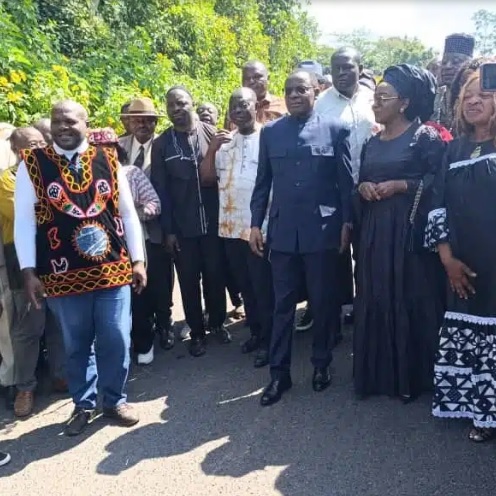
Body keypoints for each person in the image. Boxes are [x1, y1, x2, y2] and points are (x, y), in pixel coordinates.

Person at [14, 100, 146, 436]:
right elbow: (24, 223)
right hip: (60, 275)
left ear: (86, 123)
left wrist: (138, 259)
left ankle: (115, 399)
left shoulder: (108, 157)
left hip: (113, 270)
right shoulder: (32, 164)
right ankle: (83, 404)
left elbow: (128, 214)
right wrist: (28, 270)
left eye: (71, 121)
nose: (63, 127)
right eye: (57, 121)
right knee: (75, 344)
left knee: (116, 337)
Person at [250, 70, 353, 406]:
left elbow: (346, 184)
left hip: (321, 233)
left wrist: (347, 224)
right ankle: (279, 376)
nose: (295, 95)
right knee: (282, 307)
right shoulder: (271, 132)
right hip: (282, 235)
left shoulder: (336, 129)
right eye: (289, 90)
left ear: (315, 91)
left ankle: (321, 364)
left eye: (301, 89)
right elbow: (263, 182)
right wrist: (255, 224)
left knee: (323, 304)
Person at [353, 64, 445, 402]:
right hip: (376, 235)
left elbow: (440, 184)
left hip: (409, 236)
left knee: (409, 298)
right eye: (374, 98)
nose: (375, 104)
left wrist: (403, 185)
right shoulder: (371, 143)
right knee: (376, 296)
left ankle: (410, 378)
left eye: (383, 98)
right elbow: (362, 178)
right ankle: (378, 376)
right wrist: (363, 187)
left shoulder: (425, 138)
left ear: (404, 102)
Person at [427, 70, 496, 442]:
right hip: (462, 267)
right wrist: (447, 259)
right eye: (468, 95)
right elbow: (437, 206)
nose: (473, 101)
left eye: (484, 94)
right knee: (473, 334)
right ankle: (481, 413)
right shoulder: (452, 149)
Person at [151, 86, 230, 357]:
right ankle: (196, 333)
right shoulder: (162, 144)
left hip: (214, 223)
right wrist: (169, 232)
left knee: (215, 275)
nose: (176, 109)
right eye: (171, 105)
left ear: (192, 103)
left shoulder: (212, 133)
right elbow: (161, 190)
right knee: (188, 280)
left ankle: (218, 323)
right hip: (182, 228)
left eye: (181, 103)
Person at [200, 87, 273, 368]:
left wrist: (264, 224)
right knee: (245, 286)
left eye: (244, 105)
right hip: (230, 229)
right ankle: (256, 333)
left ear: (256, 106)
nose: (239, 110)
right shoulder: (225, 144)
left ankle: (270, 341)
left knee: (262, 286)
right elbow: (207, 179)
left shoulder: (267, 138)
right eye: (234, 106)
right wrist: (212, 149)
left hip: (258, 227)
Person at [310, 47, 377, 331]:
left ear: (360, 69)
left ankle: (366, 312)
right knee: (336, 255)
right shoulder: (320, 105)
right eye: (336, 67)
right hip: (335, 192)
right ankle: (335, 319)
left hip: (373, 191)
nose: (341, 73)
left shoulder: (376, 100)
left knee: (367, 254)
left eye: (348, 67)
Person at [0, 127, 66, 418]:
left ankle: (61, 374)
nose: (39, 149)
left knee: (58, 320)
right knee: (28, 326)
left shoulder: (54, 171)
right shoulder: (6, 180)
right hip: (24, 260)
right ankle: (25, 387)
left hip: (56, 256)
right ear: (16, 151)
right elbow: (24, 215)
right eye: (31, 146)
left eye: (42, 143)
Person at [89, 128, 161, 365]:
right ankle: (115, 351)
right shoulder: (82, 180)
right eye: (97, 150)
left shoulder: (131, 173)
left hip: (132, 247)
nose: (103, 153)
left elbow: (154, 203)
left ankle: (144, 343)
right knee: (108, 303)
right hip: (99, 252)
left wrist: (132, 214)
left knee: (138, 297)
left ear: (117, 150)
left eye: (108, 148)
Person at [120, 98, 175, 351]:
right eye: (137, 119)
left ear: (155, 123)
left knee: (161, 280)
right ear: (128, 122)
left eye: (148, 120)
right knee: (135, 283)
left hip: (158, 226)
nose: (142, 124)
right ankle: (142, 329)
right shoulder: (118, 146)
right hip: (125, 235)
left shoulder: (164, 145)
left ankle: (165, 325)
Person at [225, 61, 286, 130]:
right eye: (247, 78)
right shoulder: (234, 110)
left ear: (268, 78)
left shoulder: (284, 106)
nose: (251, 81)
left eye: (257, 77)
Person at [435, 33, 475, 131]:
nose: (447, 66)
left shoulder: (476, 98)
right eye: (444, 62)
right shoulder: (435, 94)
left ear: (469, 66)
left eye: (456, 62)